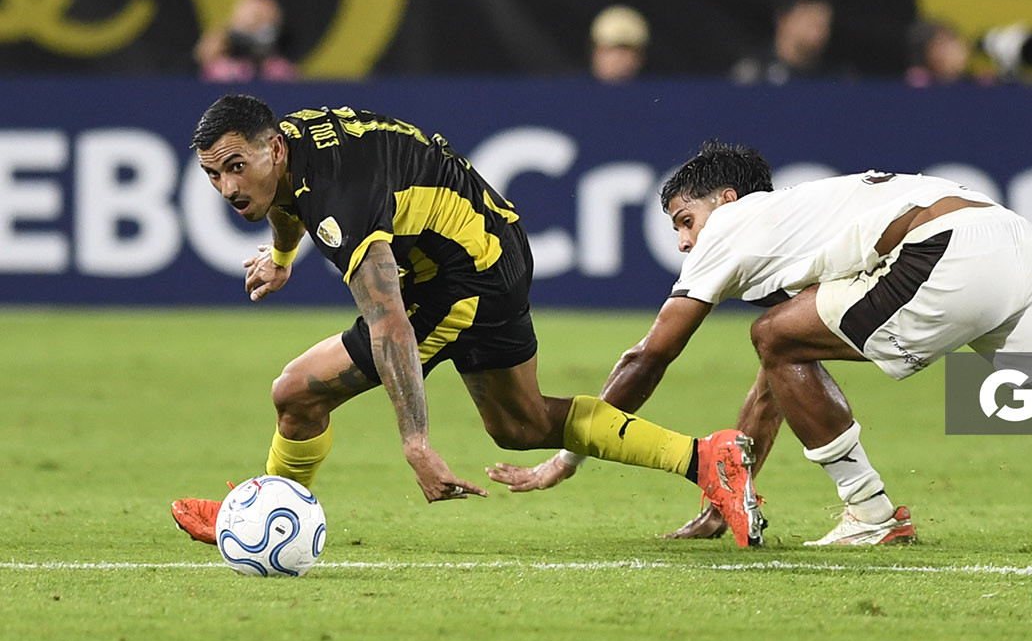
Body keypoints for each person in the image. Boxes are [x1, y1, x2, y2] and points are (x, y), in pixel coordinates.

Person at [488, 140, 1032, 546]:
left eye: (684, 220)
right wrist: (729, 487)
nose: (684, 241)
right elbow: (777, 375)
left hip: (947, 252)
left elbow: (651, 356)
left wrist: (573, 452)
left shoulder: (736, 223)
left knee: (774, 336)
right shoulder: (799, 230)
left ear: (721, 196)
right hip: (1019, 248)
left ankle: (869, 513)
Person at [170, 97, 765, 548]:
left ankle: (255, 516)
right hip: (492, 245)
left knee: (296, 393)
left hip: (463, 274)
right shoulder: (290, 143)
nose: (227, 188)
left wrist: (416, 441)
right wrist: (280, 257)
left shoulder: (338, 195)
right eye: (214, 175)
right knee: (521, 423)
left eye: (235, 168)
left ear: (273, 149)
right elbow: (284, 199)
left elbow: (391, 325)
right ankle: (706, 458)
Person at [730, 0, 836, 84]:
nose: (819, 33)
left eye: (825, 26)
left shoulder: (834, 79)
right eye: (811, 24)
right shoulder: (753, 73)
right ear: (783, 20)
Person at [194, 0, 299, 82]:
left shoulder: (280, 69)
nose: (263, 28)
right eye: (256, 19)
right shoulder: (219, 70)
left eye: (269, 22)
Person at [589, 5, 649, 83]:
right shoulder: (574, 90)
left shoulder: (655, 92)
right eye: (610, 49)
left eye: (626, 49)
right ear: (595, 51)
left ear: (640, 56)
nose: (618, 58)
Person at [903, 18, 972, 86]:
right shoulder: (917, 83)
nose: (949, 51)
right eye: (941, 43)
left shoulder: (974, 83)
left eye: (952, 40)